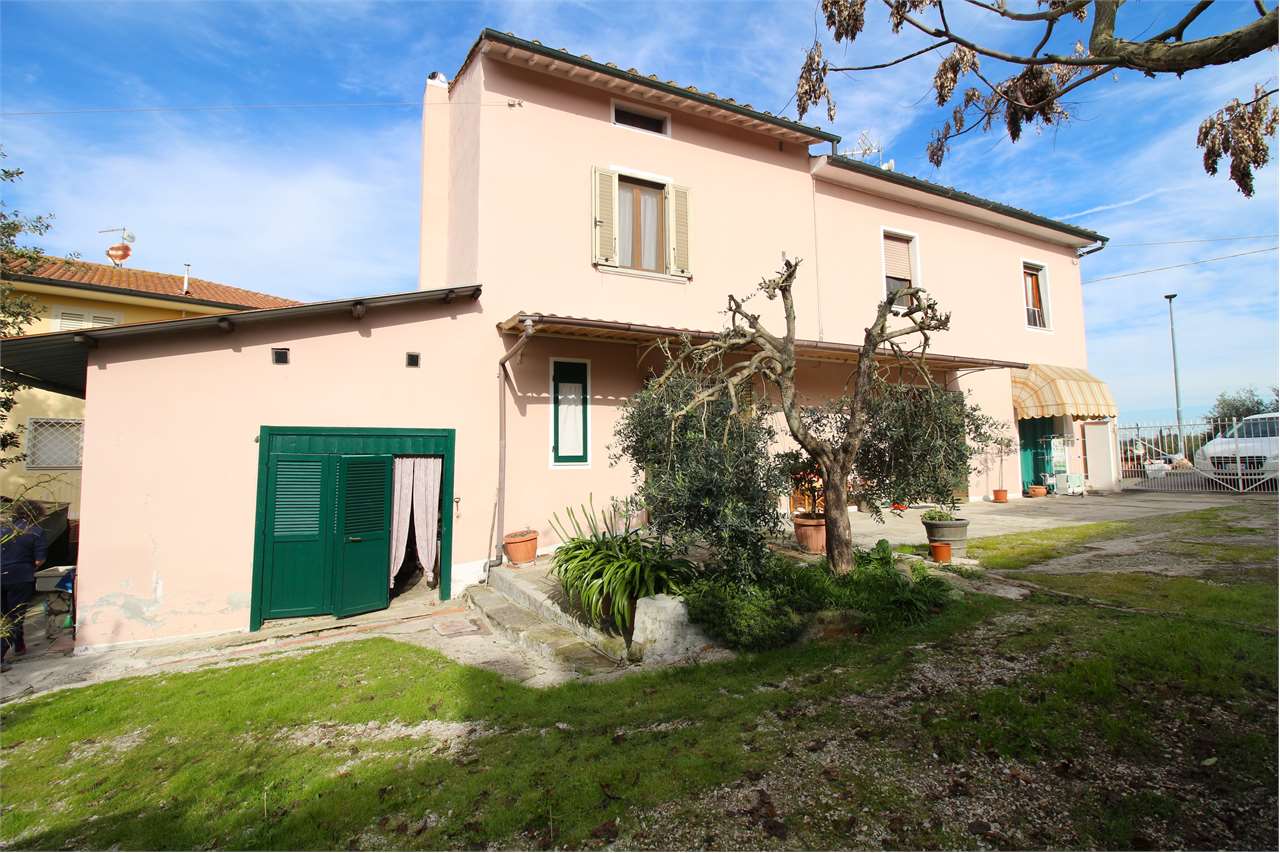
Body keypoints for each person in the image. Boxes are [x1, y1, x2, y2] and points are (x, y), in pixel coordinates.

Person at [1, 500, 47, 672]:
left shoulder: (3, 529)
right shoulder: (35, 531)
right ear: (37, 514)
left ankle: (19, 646)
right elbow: (39, 560)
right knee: (15, 616)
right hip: (20, 578)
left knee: (4, 615)